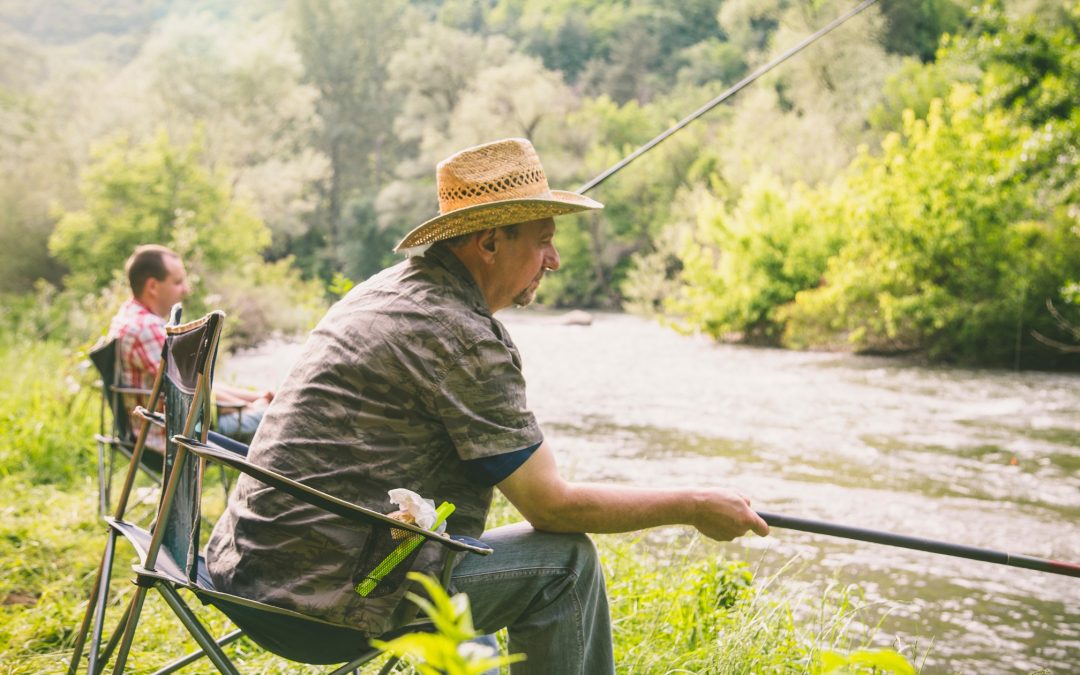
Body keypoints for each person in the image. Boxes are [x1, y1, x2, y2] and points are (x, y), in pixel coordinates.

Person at [206, 138, 768, 672]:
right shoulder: (462, 337)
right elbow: (553, 508)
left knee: (466, 554)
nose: (553, 259)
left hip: (247, 568)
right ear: (491, 242)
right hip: (322, 601)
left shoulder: (386, 289)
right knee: (566, 565)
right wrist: (695, 505)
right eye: (543, 239)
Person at [106, 244, 272, 445]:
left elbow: (197, 384)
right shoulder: (146, 328)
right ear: (152, 286)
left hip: (165, 429)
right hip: (174, 438)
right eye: (178, 282)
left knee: (268, 409)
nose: (186, 289)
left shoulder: (130, 315)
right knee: (277, 419)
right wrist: (249, 407)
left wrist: (257, 397)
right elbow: (196, 395)